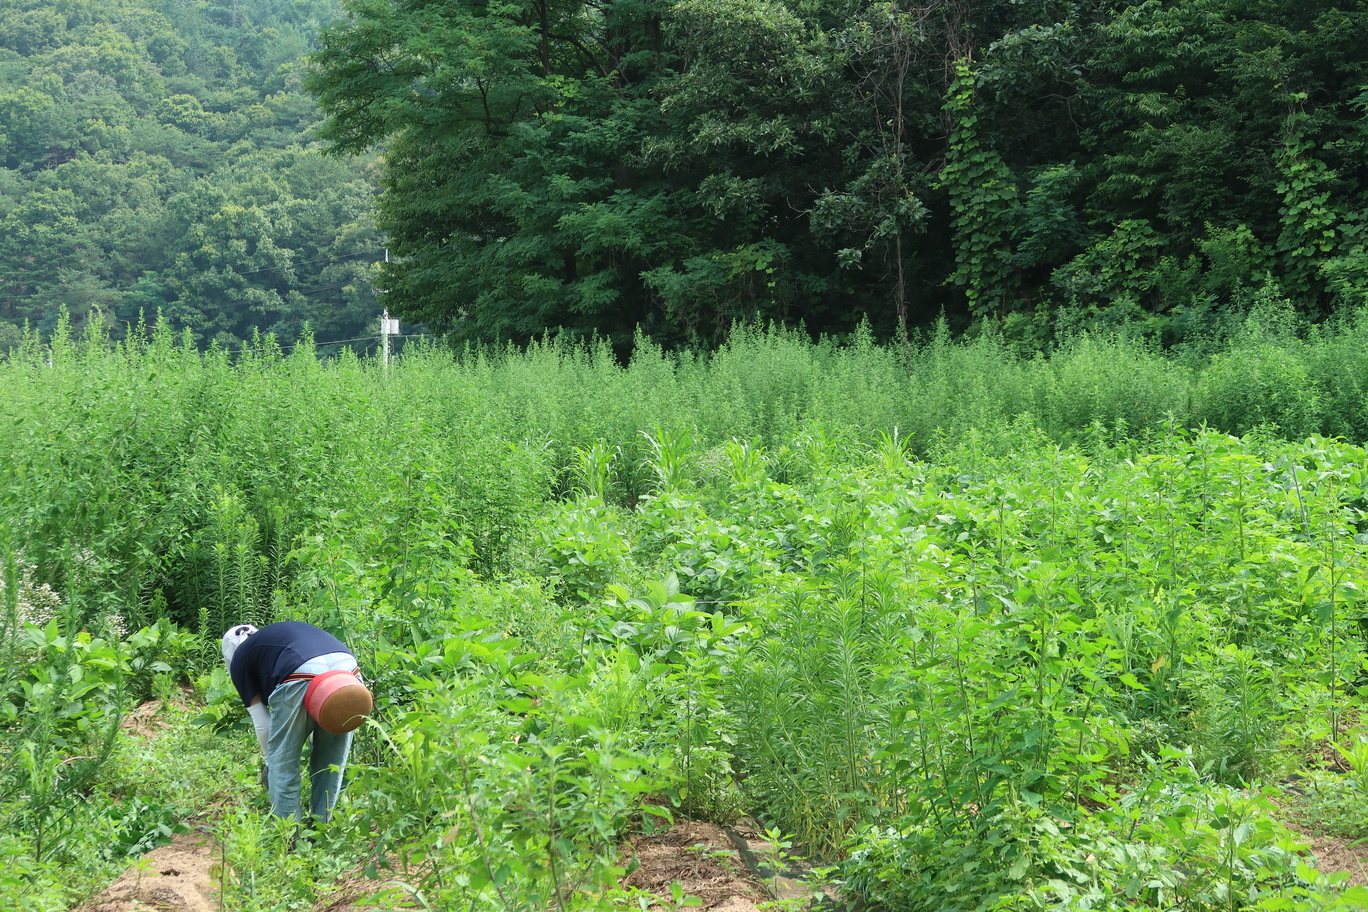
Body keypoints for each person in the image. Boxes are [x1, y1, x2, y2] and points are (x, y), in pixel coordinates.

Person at [221, 621, 372, 824]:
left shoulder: (240, 659)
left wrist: (271, 762)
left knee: (283, 766)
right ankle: (322, 831)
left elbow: (263, 724)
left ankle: (291, 839)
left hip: (302, 674)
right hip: (347, 672)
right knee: (332, 762)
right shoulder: (275, 641)